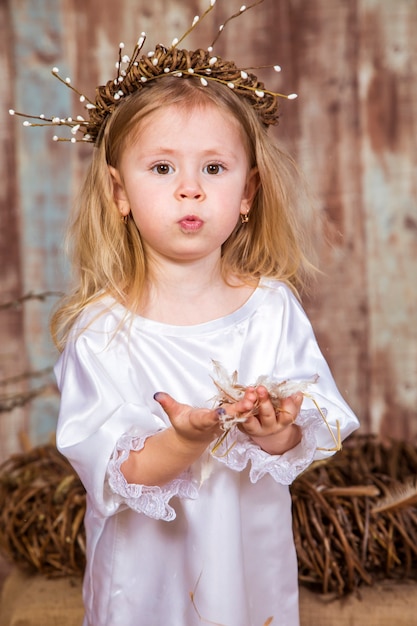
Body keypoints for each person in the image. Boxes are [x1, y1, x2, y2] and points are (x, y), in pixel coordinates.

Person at [44, 5, 359, 625]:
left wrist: (274, 432)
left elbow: (306, 428)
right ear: (119, 193)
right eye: (163, 169)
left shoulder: (270, 308)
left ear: (245, 195)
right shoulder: (103, 333)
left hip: (246, 570)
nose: (190, 189)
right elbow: (120, 473)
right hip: (146, 580)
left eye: (213, 169)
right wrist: (185, 439)